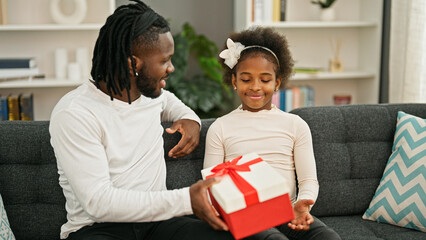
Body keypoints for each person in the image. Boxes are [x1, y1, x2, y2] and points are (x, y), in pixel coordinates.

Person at [49, 1, 234, 239]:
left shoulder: (149, 95)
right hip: (99, 230)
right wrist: (186, 199)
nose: (171, 68)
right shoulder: (75, 113)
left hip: (158, 224)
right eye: (164, 61)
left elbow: (170, 102)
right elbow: (98, 202)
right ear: (132, 63)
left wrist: (190, 118)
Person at [204, 27, 341, 240]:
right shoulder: (220, 128)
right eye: (246, 79)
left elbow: (308, 181)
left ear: (277, 83)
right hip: (246, 216)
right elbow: (210, 187)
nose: (255, 87)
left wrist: (303, 203)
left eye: (265, 79)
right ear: (234, 81)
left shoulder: (295, 125)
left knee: (329, 238)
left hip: (289, 213)